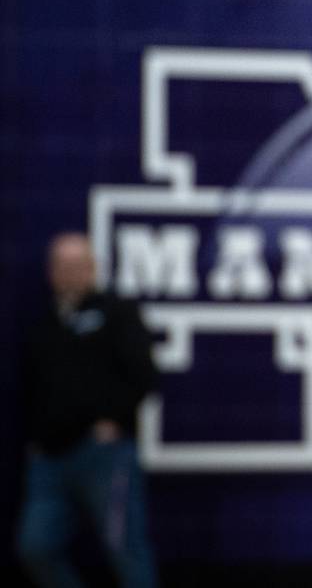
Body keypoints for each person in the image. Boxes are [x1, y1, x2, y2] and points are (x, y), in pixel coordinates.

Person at [15, 232, 158, 588]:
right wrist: (35, 439)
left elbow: (144, 375)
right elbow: (31, 385)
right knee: (35, 546)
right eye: (63, 265)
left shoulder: (116, 311)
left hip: (103, 455)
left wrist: (113, 421)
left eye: (79, 264)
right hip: (49, 456)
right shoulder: (45, 321)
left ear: (94, 268)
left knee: (125, 548)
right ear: (51, 271)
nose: (71, 272)